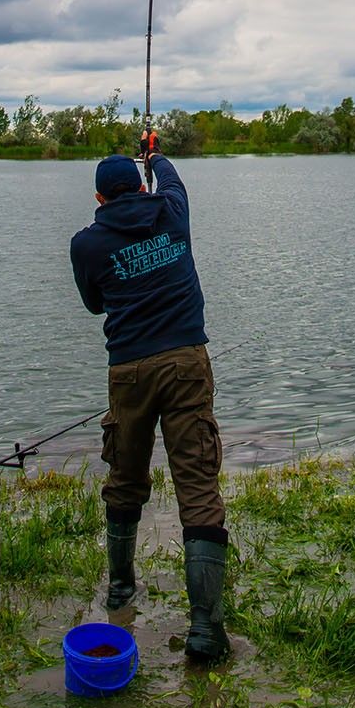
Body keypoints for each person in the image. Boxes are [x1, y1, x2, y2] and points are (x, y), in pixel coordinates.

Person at [69, 134, 229, 661]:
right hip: (187, 362)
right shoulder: (171, 208)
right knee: (197, 485)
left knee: (125, 478)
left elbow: (94, 305)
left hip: (130, 370)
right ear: (141, 184)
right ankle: (205, 630)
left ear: (99, 200)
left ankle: (120, 590)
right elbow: (176, 181)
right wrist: (153, 152)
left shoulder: (87, 242)